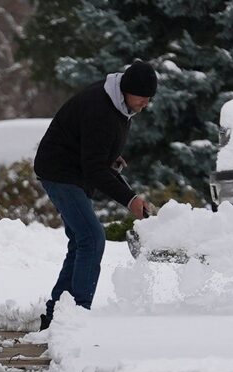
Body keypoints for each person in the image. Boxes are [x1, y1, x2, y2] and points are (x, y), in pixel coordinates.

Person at [34, 60, 157, 330]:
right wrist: (130, 200)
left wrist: (109, 155)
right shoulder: (100, 107)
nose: (146, 103)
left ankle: (56, 317)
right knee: (92, 237)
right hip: (60, 171)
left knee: (81, 241)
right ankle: (77, 315)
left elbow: (94, 148)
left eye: (149, 98)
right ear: (127, 89)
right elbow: (94, 168)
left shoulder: (120, 105)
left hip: (73, 171)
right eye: (142, 97)